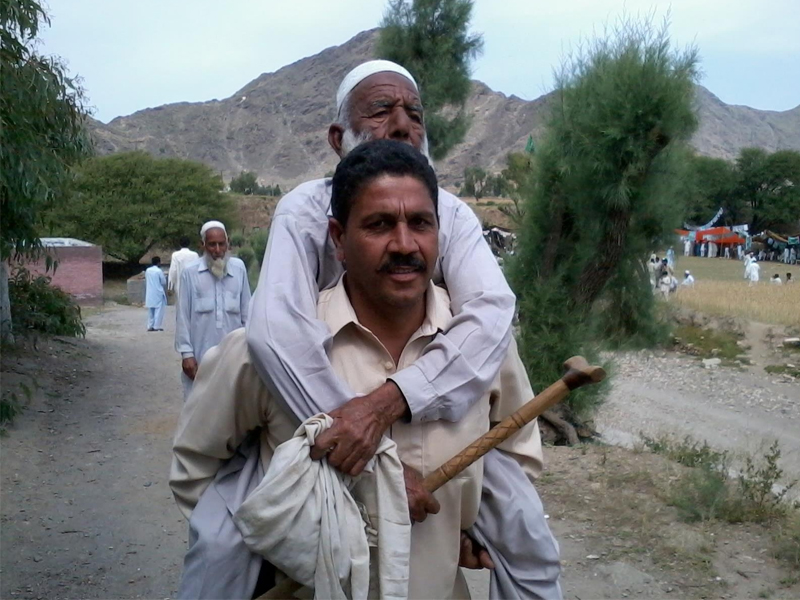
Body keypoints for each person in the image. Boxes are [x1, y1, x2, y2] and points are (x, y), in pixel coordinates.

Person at [182, 60, 561, 600]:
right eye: (382, 111)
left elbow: (492, 314)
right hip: (309, 397)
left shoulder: (451, 211)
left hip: (436, 387)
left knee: (526, 537)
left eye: (414, 113)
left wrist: (387, 405)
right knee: (222, 548)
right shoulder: (303, 209)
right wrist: (365, 453)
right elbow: (276, 330)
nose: (403, 124)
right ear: (339, 138)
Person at [175, 220, 251, 398]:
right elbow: (183, 316)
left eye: (221, 244)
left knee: (233, 413)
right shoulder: (190, 273)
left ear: (228, 243)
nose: (217, 250)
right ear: (202, 245)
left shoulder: (239, 269)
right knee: (198, 413)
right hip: (200, 360)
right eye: (212, 244)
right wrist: (186, 354)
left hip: (233, 359)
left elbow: (247, 313)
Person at [168, 236, 199, 301]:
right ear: (189, 244)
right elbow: (198, 270)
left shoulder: (175, 255)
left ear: (180, 244)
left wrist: (170, 286)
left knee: (181, 305)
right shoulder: (195, 255)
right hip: (193, 285)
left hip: (180, 285)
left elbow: (173, 271)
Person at [144, 256, 167, 332]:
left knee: (151, 310)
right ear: (158, 262)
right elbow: (163, 282)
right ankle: (156, 326)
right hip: (158, 292)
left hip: (150, 292)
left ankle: (150, 325)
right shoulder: (159, 271)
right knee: (158, 310)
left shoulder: (148, 270)